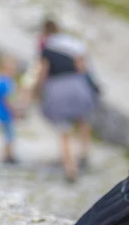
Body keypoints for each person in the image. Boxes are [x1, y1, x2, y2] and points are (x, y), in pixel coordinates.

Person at [36, 19, 95, 183]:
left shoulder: (46, 48)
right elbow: (83, 68)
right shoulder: (73, 43)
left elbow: (42, 72)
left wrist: (39, 90)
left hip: (58, 88)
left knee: (64, 130)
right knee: (83, 121)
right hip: (78, 85)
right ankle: (85, 154)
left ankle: (70, 167)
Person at [0, 55, 22, 165]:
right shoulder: (4, 82)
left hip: (3, 113)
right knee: (9, 136)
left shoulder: (2, 80)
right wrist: (14, 111)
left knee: (8, 135)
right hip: (5, 114)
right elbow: (7, 99)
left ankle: (8, 155)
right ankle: (8, 156)